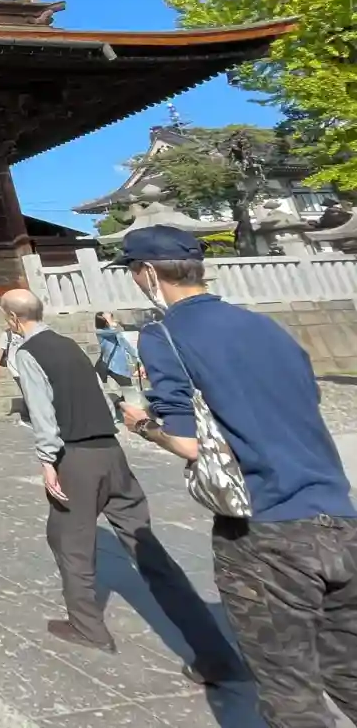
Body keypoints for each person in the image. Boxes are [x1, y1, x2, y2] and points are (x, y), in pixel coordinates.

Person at [116, 226, 355, 724]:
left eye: (134, 272)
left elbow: (188, 442)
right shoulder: (266, 326)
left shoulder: (164, 335)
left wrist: (142, 426)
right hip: (338, 516)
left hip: (264, 528)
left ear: (147, 272)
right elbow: (304, 400)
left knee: (290, 691)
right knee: (348, 668)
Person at [0, 288, 244, 683]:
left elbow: (43, 414)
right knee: (147, 549)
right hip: (111, 452)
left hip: (76, 457)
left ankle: (87, 627)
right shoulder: (70, 344)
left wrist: (47, 462)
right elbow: (101, 394)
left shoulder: (29, 352)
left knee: (68, 540)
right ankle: (215, 652)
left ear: (12, 319)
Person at [92, 311, 136, 423]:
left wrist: (136, 355)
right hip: (106, 364)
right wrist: (111, 322)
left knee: (128, 389)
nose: (112, 318)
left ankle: (118, 404)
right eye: (108, 318)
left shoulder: (115, 331)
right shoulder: (100, 332)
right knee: (97, 390)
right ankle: (106, 413)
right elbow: (114, 331)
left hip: (118, 366)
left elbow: (125, 344)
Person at [0, 325, 28, 425]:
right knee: (27, 391)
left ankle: (28, 414)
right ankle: (27, 415)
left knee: (31, 392)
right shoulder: (6, 335)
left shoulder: (28, 331)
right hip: (16, 368)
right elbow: (0, 349)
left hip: (30, 367)